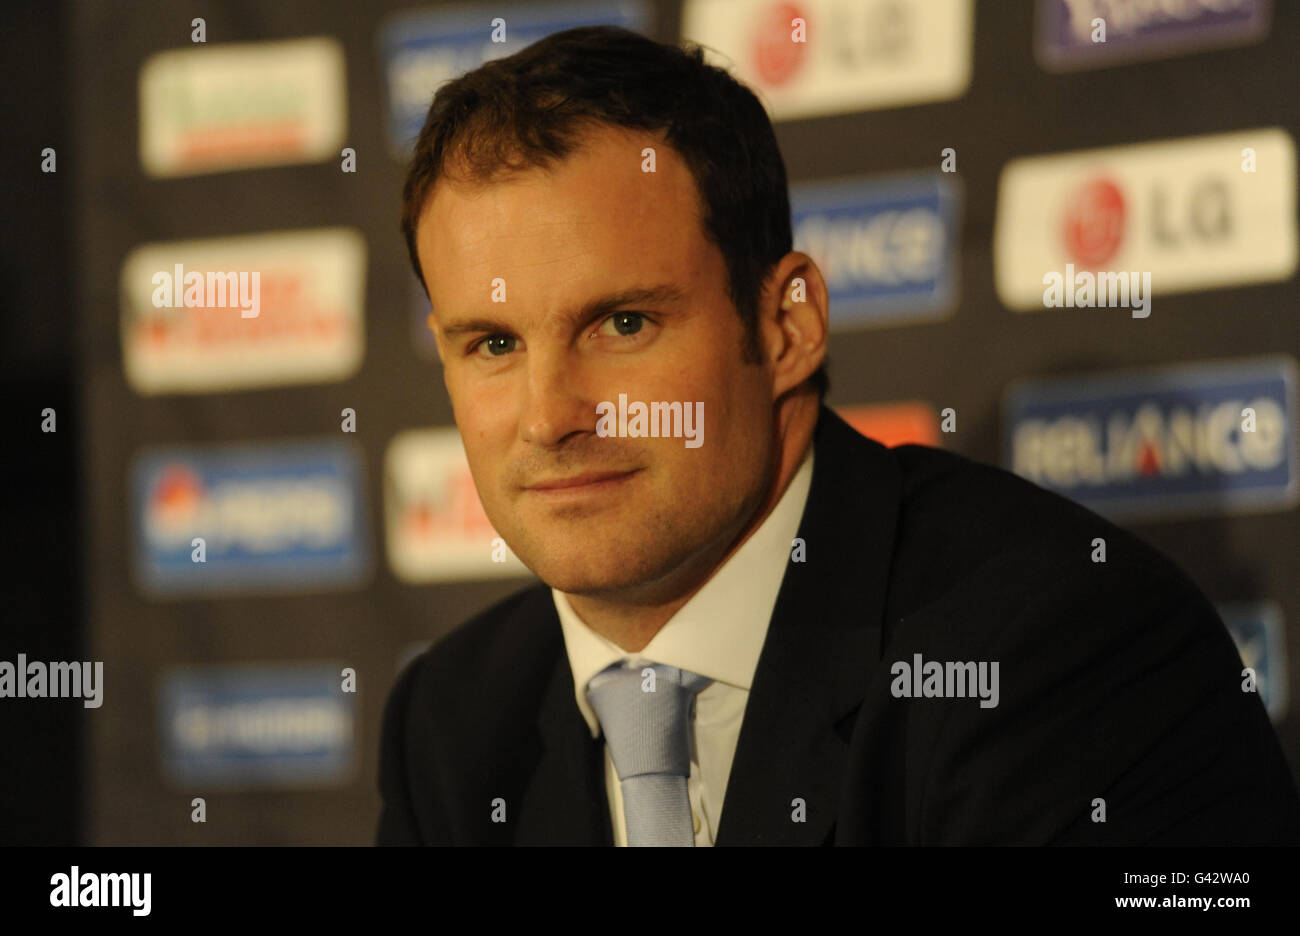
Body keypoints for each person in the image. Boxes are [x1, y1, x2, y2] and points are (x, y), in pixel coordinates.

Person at [376, 25, 1300, 845]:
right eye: (493, 343)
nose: (549, 418)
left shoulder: (1061, 652)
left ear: (786, 326)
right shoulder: (453, 724)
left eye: (622, 325)